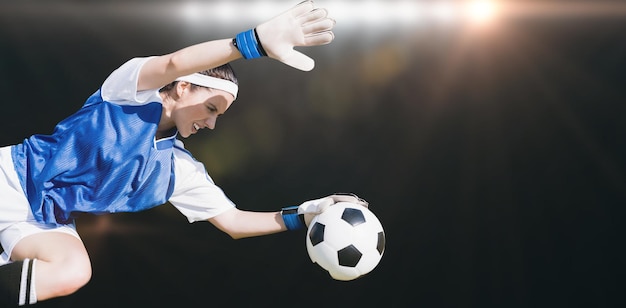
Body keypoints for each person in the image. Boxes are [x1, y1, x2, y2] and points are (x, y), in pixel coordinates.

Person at [0, 1, 368, 306]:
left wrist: (305, 215)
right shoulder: (128, 93)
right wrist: (251, 43)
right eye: (211, 108)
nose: (211, 124)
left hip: (44, 220)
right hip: (10, 178)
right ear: (183, 89)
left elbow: (234, 223)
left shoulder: (178, 168)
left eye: (219, 117)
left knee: (73, 270)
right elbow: (174, 63)